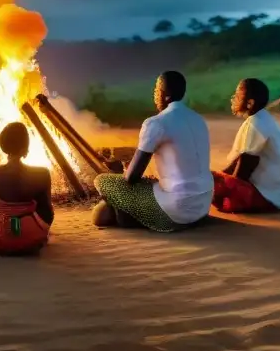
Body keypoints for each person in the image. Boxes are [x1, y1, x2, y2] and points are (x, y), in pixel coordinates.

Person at [91, 70, 212, 232]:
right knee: (151, 184)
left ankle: (126, 215)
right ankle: (124, 213)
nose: (155, 94)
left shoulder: (156, 123)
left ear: (166, 95)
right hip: (203, 205)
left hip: (177, 211)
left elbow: (132, 178)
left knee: (103, 181)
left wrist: (119, 171)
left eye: (157, 90)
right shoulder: (198, 120)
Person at [213, 78, 280, 213]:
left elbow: (246, 163)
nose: (233, 99)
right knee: (212, 178)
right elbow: (240, 159)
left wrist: (229, 189)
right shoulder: (262, 118)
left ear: (250, 103)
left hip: (267, 197)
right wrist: (222, 175)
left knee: (206, 183)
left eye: (238, 96)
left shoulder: (256, 123)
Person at [0, 122, 54, 255]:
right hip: (30, 233)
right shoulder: (43, 173)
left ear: (3, 146)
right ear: (26, 146)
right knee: (38, 214)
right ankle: (23, 235)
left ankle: (4, 238)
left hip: (1, 236)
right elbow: (47, 211)